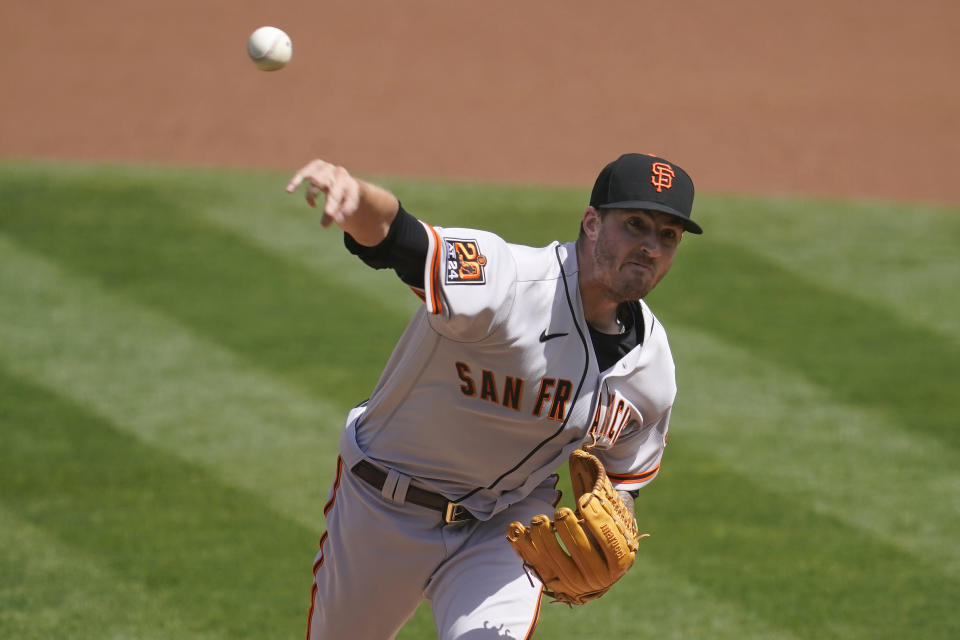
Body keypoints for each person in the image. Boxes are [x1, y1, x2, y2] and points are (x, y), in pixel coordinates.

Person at [286, 152, 702, 639]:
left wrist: (613, 532)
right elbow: (401, 239)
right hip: (383, 505)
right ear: (591, 223)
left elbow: (624, 480)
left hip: (506, 525)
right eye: (635, 224)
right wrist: (355, 196)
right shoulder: (508, 280)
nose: (651, 246)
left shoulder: (651, 367)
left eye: (667, 236)